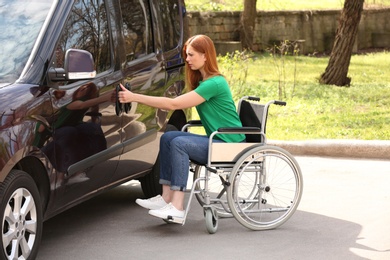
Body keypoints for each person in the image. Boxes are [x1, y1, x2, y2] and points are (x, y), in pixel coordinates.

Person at [118, 34, 245, 223]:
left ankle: (177, 206)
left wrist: (134, 97)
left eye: (191, 55)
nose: (187, 59)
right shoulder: (205, 83)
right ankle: (166, 198)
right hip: (218, 140)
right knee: (168, 137)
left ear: (205, 56)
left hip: (228, 144)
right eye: (186, 55)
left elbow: (172, 104)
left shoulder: (214, 84)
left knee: (179, 143)